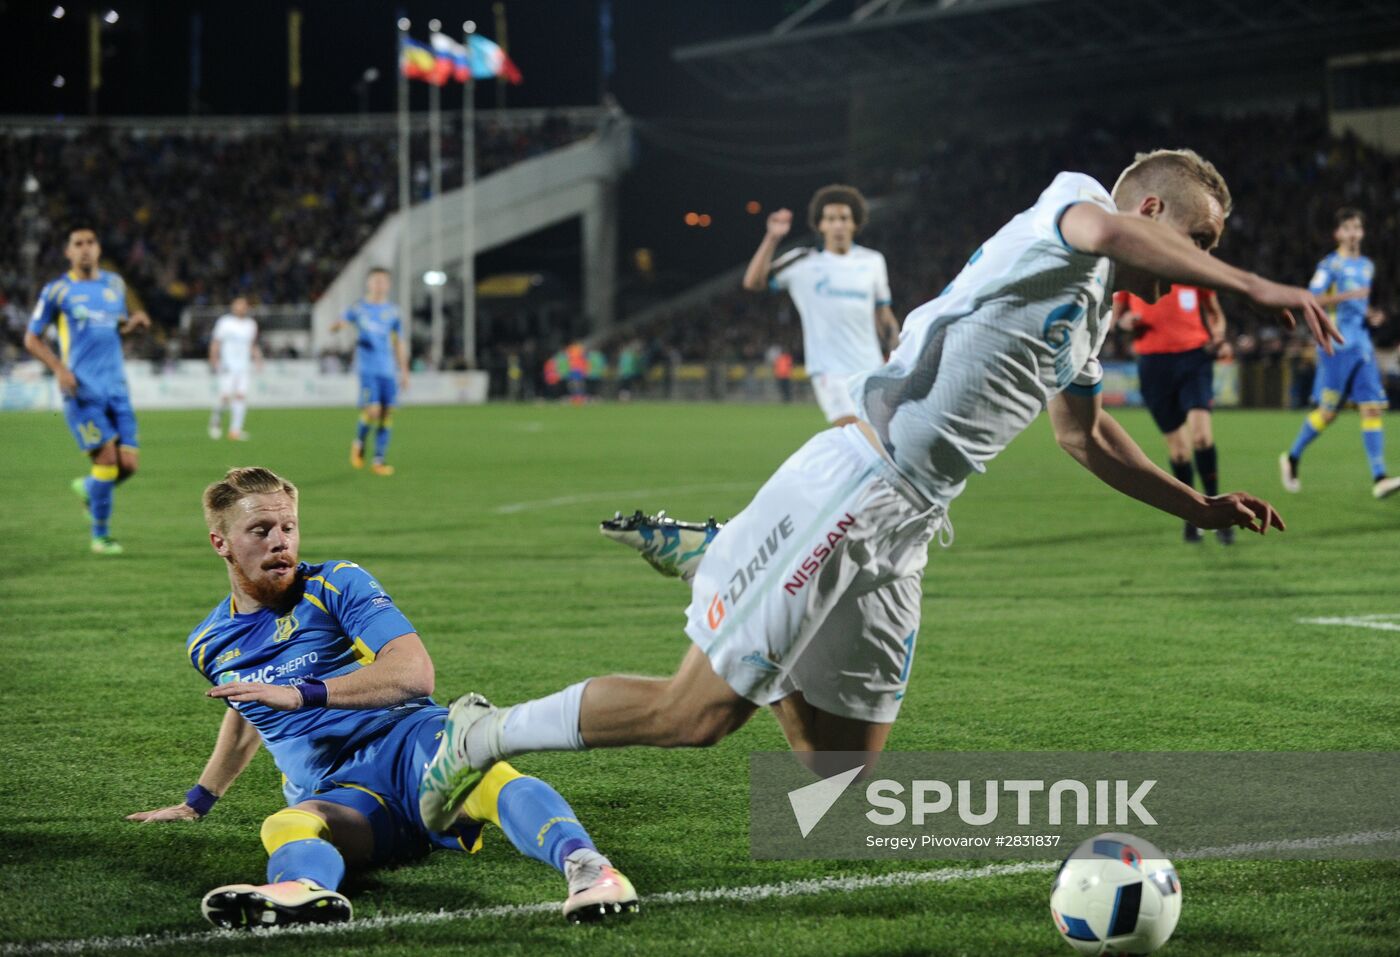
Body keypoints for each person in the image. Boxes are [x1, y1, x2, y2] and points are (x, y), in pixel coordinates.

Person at [416, 150, 1339, 799]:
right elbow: (1103, 228)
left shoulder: (1091, 316)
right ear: (1154, 213)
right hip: (854, 483)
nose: (1206, 260)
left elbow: (1084, 439)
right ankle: (481, 731)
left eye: (1218, 252)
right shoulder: (1074, 210)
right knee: (693, 714)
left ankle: (731, 561)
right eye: (1203, 238)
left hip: (906, 526)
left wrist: (1197, 502)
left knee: (836, 778)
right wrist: (1257, 286)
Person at [127, 467, 637, 929]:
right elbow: (246, 714)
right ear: (221, 542)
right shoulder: (208, 641)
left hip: (409, 741)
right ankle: (302, 890)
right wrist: (196, 803)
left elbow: (414, 673)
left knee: (483, 771)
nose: (280, 542)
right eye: (260, 531)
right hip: (337, 788)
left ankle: (592, 872)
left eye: (288, 528)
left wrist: (303, 694)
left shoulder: (336, 584)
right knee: (288, 822)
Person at [23, 226, 151, 555]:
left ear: (98, 248)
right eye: (77, 244)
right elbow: (31, 338)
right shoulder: (57, 291)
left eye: (90, 242)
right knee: (107, 459)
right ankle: (101, 536)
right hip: (81, 390)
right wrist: (59, 369)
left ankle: (89, 487)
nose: (84, 249)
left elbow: (111, 330)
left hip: (116, 388)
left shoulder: (114, 284)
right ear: (68, 252)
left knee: (129, 465)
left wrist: (130, 326)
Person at [741, 184, 900, 427]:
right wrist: (772, 237)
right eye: (831, 219)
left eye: (844, 218)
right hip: (829, 370)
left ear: (855, 223)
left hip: (871, 366)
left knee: (881, 438)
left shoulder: (873, 261)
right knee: (853, 429)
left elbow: (883, 315)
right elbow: (753, 282)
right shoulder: (802, 261)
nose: (838, 225)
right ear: (820, 224)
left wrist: (900, 355)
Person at [1281, 208, 1400, 499]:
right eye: (1347, 228)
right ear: (1338, 234)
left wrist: (1370, 314)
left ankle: (1380, 477)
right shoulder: (1330, 266)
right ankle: (1292, 457)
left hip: (1361, 346)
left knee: (1371, 407)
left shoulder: (1367, 266)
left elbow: (1358, 307)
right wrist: (1347, 296)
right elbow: (1312, 298)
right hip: (1337, 347)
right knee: (1328, 413)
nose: (1353, 233)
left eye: (1357, 228)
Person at [1112, 284, 1233, 543]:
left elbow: (1214, 312)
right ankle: (1192, 514)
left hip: (1194, 358)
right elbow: (1113, 316)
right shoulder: (1135, 270)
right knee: (1179, 451)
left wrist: (1219, 337)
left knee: (1201, 437)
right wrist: (1124, 321)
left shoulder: (1189, 268)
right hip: (1153, 364)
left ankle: (1218, 511)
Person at [331, 268, 409, 476]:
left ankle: (379, 460)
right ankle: (359, 442)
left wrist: (405, 371)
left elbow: (399, 342)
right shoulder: (359, 308)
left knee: (386, 413)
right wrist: (337, 326)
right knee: (373, 411)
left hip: (388, 370)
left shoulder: (393, 312)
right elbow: (339, 323)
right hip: (368, 369)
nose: (379, 284)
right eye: (376, 281)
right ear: (369, 283)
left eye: (383, 281)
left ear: (388, 285)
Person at [208, 296, 263, 441]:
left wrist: (258, 359)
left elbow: (252, 344)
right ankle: (216, 419)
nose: (241, 308)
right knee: (225, 397)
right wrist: (213, 359)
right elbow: (216, 342)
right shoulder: (225, 322)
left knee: (240, 396)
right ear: (233, 307)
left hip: (243, 366)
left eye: (244, 305)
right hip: (227, 365)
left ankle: (235, 431)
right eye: (238, 305)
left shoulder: (251, 324)